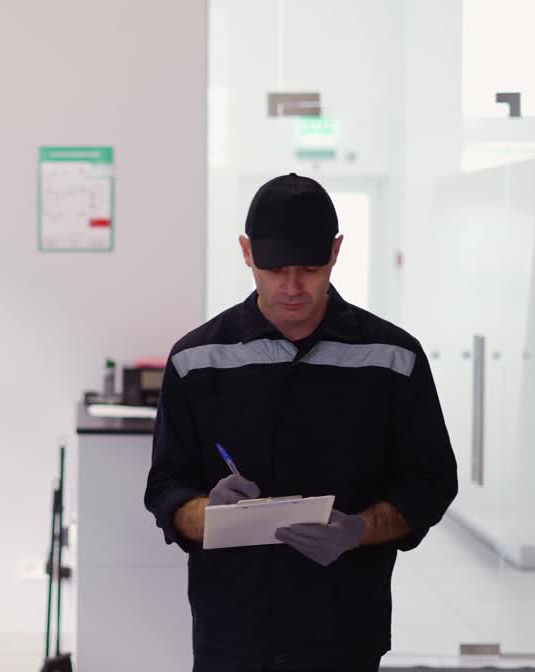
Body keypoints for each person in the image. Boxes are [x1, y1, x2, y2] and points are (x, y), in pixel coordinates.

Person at [144, 173, 458, 671]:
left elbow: (430, 482)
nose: (292, 287)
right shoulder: (196, 360)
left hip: (344, 627)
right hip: (233, 629)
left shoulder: (393, 359)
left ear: (336, 251)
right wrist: (207, 513)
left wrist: (358, 529)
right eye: (274, 268)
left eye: (310, 268)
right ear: (247, 252)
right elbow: (165, 487)